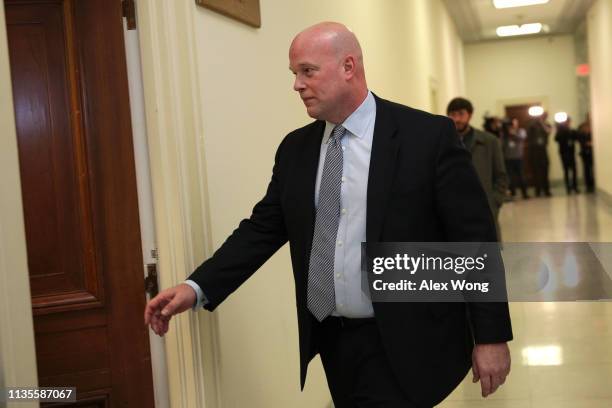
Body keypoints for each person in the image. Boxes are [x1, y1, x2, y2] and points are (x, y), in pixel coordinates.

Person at [145, 22, 512, 408]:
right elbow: (262, 230)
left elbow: (474, 240)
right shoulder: (296, 150)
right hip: (333, 340)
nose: (297, 85)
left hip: (406, 336)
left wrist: (490, 335)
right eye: (294, 74)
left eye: (308, 71)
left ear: (348, 66)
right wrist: (196, 287)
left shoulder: (426, 137)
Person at [447, 98, 508, 241]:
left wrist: (494, 203)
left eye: (461, 114)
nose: (457, 119)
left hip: (484, 209)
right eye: (453, 114)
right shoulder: (442, 142)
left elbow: (501, 176)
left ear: (470, 115)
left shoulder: (489, 141)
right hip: (454, 211)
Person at [502, 118, 529, 199]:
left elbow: (522, 138)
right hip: (508, 158)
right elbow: (501, 145)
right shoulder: (504, 134)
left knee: (521, 176)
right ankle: (512, 194)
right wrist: (506, 134)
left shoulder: (521, 131)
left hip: (518, 158)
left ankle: (525, 193)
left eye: (514, 123)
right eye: (511, 124)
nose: (513, 125)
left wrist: (513, 134)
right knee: (509, 177)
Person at [527, 113, 552, 197]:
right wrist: (535, 121)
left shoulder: (546, 124)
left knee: (545, 171)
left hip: (543, 150)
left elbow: (548, 131)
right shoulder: (531, 125)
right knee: (536, 172)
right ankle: (538, 191)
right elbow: (528, 134)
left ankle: (546, 190)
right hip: (534, 151)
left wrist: (542, 122)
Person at [554, 117, 579, 194]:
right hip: (564, 153)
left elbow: (577, 138)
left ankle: (574, 187)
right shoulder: (560, 131)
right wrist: (560, 129)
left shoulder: (572, 131)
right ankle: (568, 187)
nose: (567, 123)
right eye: (566, 122)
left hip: (571, 153)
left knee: (574, 170)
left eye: (568, 122)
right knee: (566, 171)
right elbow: (556, 139)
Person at [577, 113, 595, 193]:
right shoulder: (582, 126)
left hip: (593, 151)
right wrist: (585, 143)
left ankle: (594, 182)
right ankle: (588, 185)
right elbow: (579, 138)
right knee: (587, 168)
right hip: (585, 151)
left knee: (594, 168)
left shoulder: (595, 124)